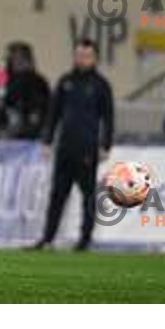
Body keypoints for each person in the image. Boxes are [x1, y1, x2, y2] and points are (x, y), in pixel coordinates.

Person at [34, 39, 114, 252]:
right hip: (65, 148)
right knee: (57, 195)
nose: (81, 59)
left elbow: (108, 117)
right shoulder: (65, 81)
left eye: (86, 55)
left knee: (88, 196)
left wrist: (106, 144)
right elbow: (54, 114)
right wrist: (48, 141)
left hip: (87, 149)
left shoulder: (100, 85)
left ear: (94, 58)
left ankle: (84, 240)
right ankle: (47, 238)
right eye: (78, 55)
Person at [0, 42, 50, 139]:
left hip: (29, 138)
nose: (16, 62)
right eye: (13, 58)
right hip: (0, 134)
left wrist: (35, 121)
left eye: (20, 58)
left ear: (28, 59)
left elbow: (47, 109)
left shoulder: (38, 82)